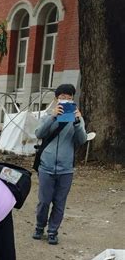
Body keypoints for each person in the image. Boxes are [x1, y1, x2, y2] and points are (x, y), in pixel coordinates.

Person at [33, 84, 87, 245]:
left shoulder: (77, 119)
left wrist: (77, 123)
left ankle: (52, 231)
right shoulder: (47, 116)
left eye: (69, 98)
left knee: (59, 202)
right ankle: (39, 227)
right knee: (44, 201)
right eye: (62, 97)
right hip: (46, 166)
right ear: (56, 99)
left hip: (66, 169)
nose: (66, 100)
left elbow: (82, 140)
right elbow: (39, 134)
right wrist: (53, 117)